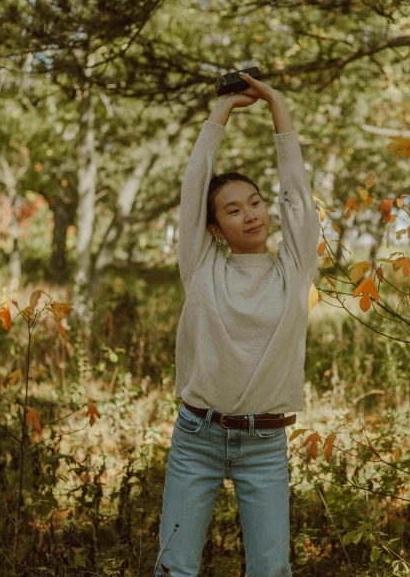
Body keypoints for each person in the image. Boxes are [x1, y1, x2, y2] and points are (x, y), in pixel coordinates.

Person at [154, 72, 320, 577]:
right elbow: (192, 188)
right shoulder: (202, 266)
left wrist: (278, 108)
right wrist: (221, 112)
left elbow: (297, 196)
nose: (250, 215)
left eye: (255, 203)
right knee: (175, 569)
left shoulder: (294, 268)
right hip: (197, 437)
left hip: (265, 446)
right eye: (232, 209)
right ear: (213, 227)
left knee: (271, 572)